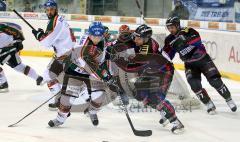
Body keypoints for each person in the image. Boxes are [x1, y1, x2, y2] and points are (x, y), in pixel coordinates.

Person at [107, 24, 184, 133]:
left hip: (163, 71)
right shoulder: (138, 38)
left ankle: (175, 121)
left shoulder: (148, 50)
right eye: (136, 37)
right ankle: (164, 112)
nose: (135, 40)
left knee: (156, 97)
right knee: (141, 95)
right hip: (151, 70)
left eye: (138, 38)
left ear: (146, 39)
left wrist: (118, 60)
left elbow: (131, 68)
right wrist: (111, 47)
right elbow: (127, 45)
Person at [162, 16, 237, 114]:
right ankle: (209, 104)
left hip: (203, 60)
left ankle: (228, 99)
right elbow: (168, 55)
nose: (170, 30)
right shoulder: (169, 40)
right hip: (190, 65)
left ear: (177, 25)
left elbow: (197, 40)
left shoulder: (189, 31)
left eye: (172, 27)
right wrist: (162, 58)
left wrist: (183, 41)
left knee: (215, 81)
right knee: (194, 85)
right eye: (169, 28)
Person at [48, 21, 109, 127]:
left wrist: (108, 72)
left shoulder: (102, 41)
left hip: (91, 72)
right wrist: (106, 77)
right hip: (76, 72)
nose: (96, 39)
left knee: (99, 95)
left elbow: (102, 59)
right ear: (89, 34)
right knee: (68, 98)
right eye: (94, 36)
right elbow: (90, 67)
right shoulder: (82, 46)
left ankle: (92, 111)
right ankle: (60, 119)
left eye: (99, 36)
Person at [31, 0, 76, 110]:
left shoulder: (54, 22)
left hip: (64, 54)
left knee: (48, 75)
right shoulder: (58, 19)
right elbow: (54, 36)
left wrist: (39, 36)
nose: (50, 12)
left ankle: (60, 101)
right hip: (70, 52)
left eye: (52, 9)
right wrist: (43, 34)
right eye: (47, 10)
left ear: (56, 9)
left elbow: (46, 43)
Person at [0, 22, 43, 92]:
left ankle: (3, 83)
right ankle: (38, 78)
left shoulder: (2, 26)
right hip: (7, 48)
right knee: (19, 67)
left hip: (10, 48)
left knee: (19, 67)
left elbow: (17, 28)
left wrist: (19, 41)